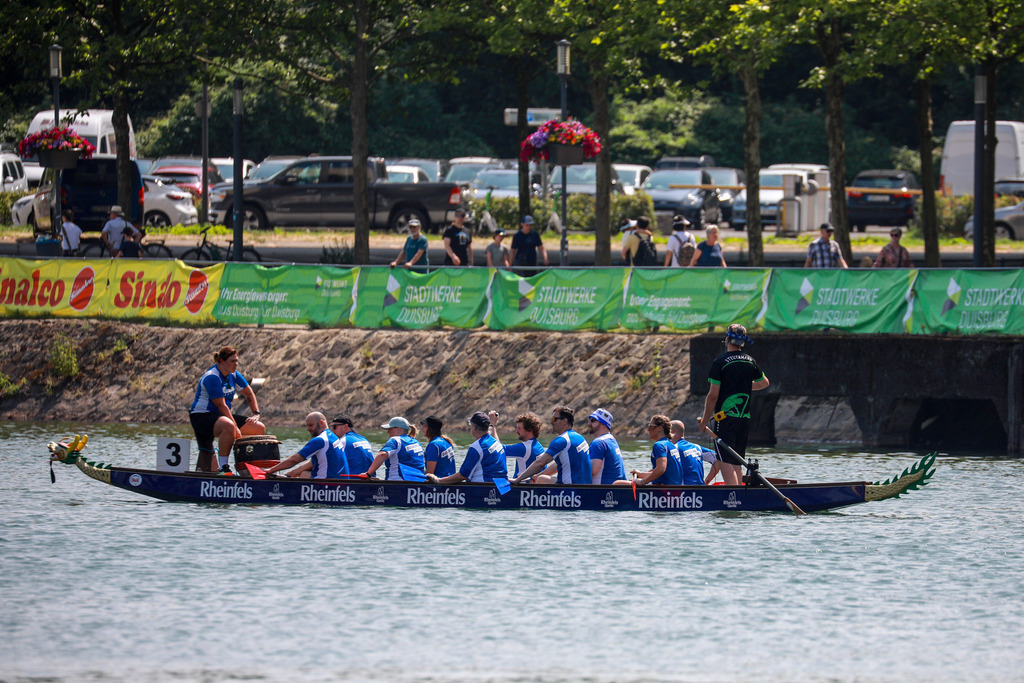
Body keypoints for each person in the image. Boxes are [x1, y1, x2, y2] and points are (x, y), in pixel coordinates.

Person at [697, 323, 770, 486]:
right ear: (743, 342)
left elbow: (713, 395)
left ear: (727, 339)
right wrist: (742, 385)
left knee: (724, 460)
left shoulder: (719, 363)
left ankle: (734, 498)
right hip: (744, 420)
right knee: (737, 460)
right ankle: (739, 493)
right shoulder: (751, 361)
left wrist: (704, 421)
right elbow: (764, 383)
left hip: (725, 419)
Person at [189, 345, 266, 473]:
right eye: (232, 361)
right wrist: (235, 428)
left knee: (258, 428)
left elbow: (249, 393)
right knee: (229, 426)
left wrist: (256, 413)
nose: (236, 364)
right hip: (202, 416)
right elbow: (221, 406)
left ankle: (246, 467)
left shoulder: (234, 375)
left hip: (222, 416)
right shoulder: (212, 377)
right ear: (221, 362)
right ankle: (223, 468)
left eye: (237, 360)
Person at [511, 406, 591, 485]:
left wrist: (517, 480)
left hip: (570, 492)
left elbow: (540, 463)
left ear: (564, 421)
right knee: (541, 478)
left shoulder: (561, 440)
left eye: (554, 419)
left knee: (541, 480)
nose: (552, 422)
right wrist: (537, 475)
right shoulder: (580, 438)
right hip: (585, 488)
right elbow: (558, 464)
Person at [426, 411, 507, 484]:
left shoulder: (477, 447)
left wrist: (438, 480)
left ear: (474, 426)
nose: (470, 427)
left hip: (485, 491)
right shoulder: (496, 442)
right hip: (502, 487)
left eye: (470, 425)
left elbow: (462, 475)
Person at [263, 412, 347, 479]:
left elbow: (294, 460)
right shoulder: (333, 437)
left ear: (321, 423)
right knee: (304, 474)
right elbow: (312, 463)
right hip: (340, 484)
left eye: (311, 425)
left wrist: (271, 470)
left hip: (325, 486)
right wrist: (292, 473)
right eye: (307, 426)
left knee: (304, 475)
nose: (308, 429)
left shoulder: (320, 440)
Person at [365, 416, 426, 481]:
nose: (387, 432)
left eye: (389, 429)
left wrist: (368, 474)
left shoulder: (395, 440)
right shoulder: (416, 442)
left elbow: (382, 454)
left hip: (397, 482)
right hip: (418, 482)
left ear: (398, 429)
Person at [628, 415, 683, 486]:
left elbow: (661, 469)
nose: (648, 429)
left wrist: (643, 482)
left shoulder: (659, 445)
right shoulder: (670, 445)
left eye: (650, 426)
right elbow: (666, 472)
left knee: (618, 483)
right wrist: (641, 475)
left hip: (664, 491)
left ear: (659, 428)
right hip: (675, 488)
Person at [670, 419, 716, 486]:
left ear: (672, 432)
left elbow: (660, 470)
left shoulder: (674, 448)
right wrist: (706, 482)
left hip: (685, 491)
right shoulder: (697, 447)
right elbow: (718, 459)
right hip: (701, 488)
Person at [587, 408, 626, 485]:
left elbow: (592, 472)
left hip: (603, 492)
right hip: (615, 489)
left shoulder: (598, 443)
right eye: (589, 420)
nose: (589, 423)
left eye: (593, 421)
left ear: (602, 424)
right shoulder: (612, 440)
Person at [503, 411, 545, 481]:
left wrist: (492, 425)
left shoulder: (523, 448)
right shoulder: (539, 446)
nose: (516, 431)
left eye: (519, 428)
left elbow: (496, 449)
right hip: (533, 487)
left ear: (529, 430)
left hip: (521, 487)